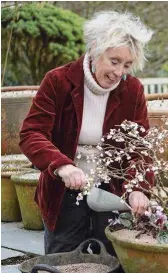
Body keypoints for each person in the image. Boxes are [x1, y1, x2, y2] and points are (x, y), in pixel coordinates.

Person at [19, 11, 154, 259]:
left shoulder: (132, 89)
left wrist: (138, 188)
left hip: (113, 190)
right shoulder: (58, 81)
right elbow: (32, 133)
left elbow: (140, 147)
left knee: (113, 260)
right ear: (94, 49)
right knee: (64, 260)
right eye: (114, 61)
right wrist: (62, 166)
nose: (119, 72)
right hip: (64, 190)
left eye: (127, 65)